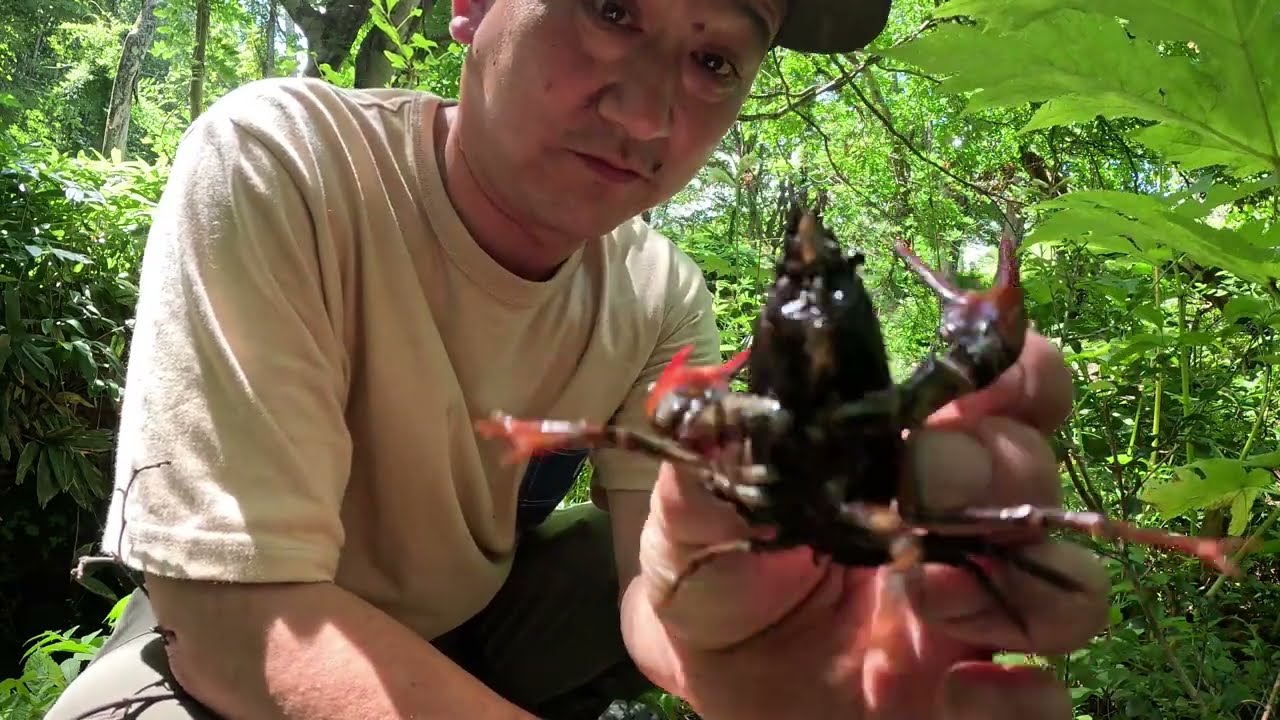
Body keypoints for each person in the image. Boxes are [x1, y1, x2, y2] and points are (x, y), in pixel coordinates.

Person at [47, 0, 1110, 718]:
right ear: (469, 4)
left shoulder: (659, 294)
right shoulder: (285, 161)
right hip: (213, 648)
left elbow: (652, 587)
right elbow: (234, 622)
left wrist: (760, 655)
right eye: (609, 6)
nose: (648, 113)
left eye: (711, 61)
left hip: (485, 619)